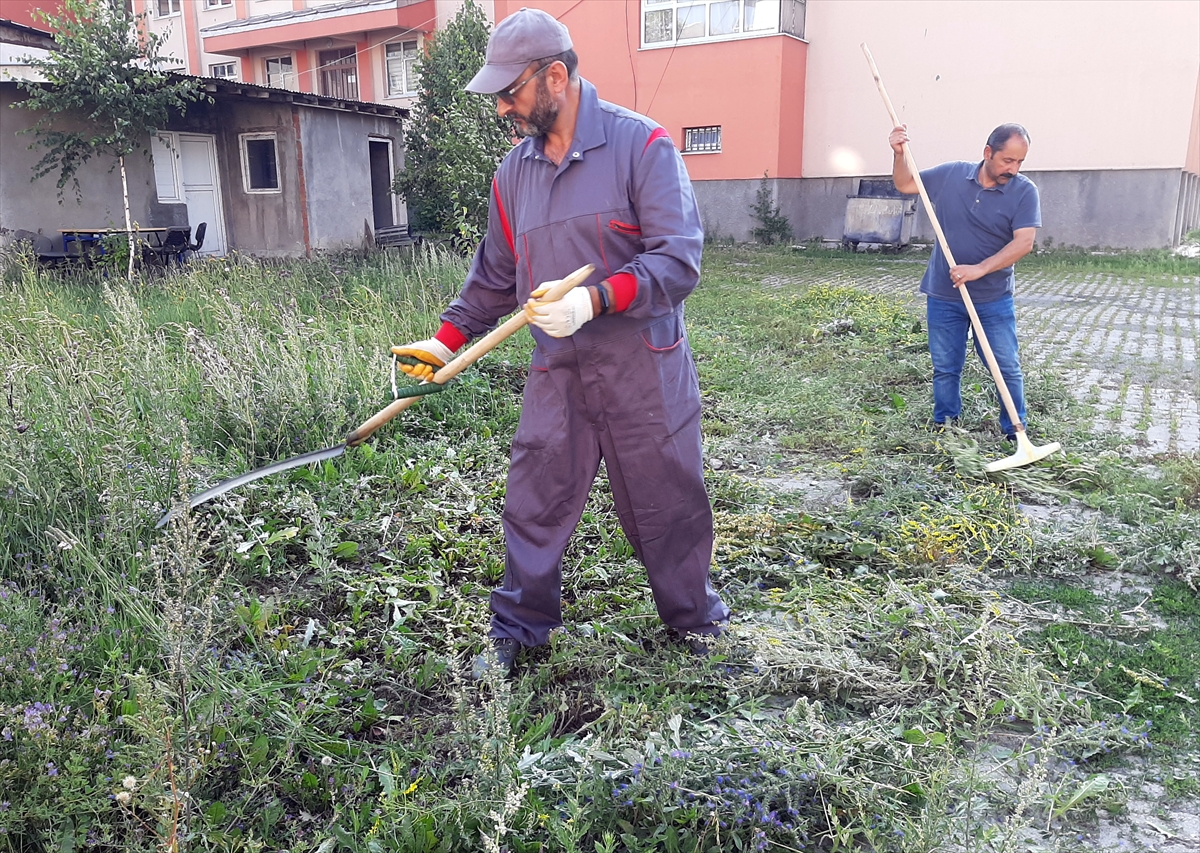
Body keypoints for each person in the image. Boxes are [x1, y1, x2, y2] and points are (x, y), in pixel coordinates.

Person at [392, 8, 730, 677]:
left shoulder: (643, 147)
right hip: (559, 373)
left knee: (667, 499)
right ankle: (519, 631)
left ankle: (694, 621)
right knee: (534, 498)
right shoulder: (512, 176)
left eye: (510, 93)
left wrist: (594, 299)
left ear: (555, 76)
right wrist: (446, 338)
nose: (501, 109)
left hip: (644, 370)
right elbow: (494, 275)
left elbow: (677, 260)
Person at [889, 123, 1041, 442]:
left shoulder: (1024, 191)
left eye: (1019, 162)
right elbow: (904, 184)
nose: (1013, 169)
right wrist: (899, 154)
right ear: (988, 153)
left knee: (1005, 367)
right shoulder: (952, 176)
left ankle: (1016, 431)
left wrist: (980, 269)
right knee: (946, 367)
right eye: (1007, 161)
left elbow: (1024, 242)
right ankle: (946, 426)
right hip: (945, 295)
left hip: (993, 299)